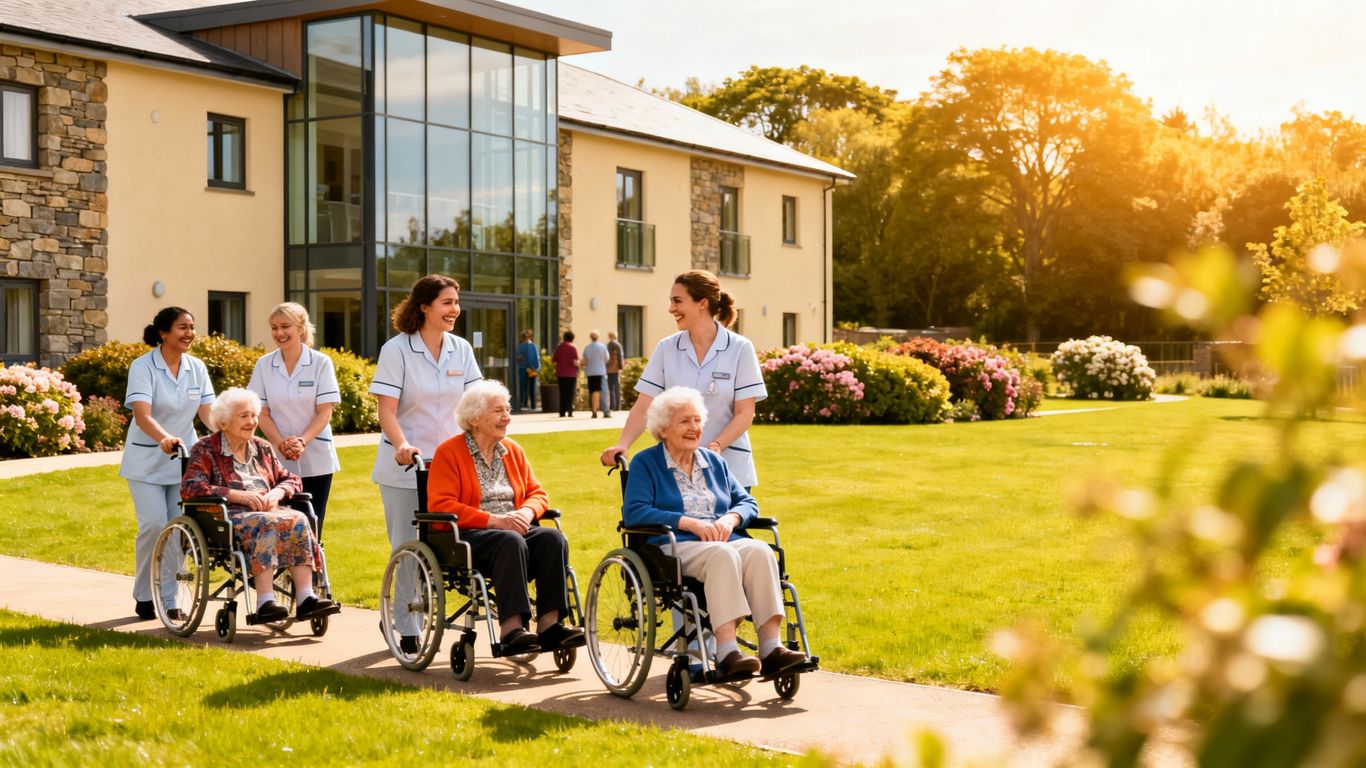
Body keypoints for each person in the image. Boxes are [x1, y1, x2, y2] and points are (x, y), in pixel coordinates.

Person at [623, 387, 808, 677]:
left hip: (722, 537)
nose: (694, 428)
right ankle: (726, 651)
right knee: (721, 555)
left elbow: (747, 501)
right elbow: (634, 512)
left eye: (697, 420)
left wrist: (730, 519)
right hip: (674, 544)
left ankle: (771, 648)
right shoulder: (646, 463)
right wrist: (688, 522)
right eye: (685, 421)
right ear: (663, 428)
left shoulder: (714, 462)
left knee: (759, 551)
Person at [426, 380, 586, 653]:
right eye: (498, 411)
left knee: (552, 538)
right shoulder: (449, 452)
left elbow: (538, 493)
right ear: (474, 419)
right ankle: (512, 630)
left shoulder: (512, 450)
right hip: (470, 535)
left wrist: (526, 511)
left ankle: (550, 626)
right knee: (510, 541)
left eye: (507, 410)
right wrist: (495, 521)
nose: (507, 417)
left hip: (514, 529)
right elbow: (442, 505)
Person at [370, 274, 482, 641]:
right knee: (408, 544)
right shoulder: (397, 349)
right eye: (447, 303)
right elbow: (387, 411)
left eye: (456, 302)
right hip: (405, 466)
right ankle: (406, 626)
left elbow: (474, 405)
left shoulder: (461, 350)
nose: (455, 309)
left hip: (449, 467)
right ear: (424, 307)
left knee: (449, 546)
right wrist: (402, 444)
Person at [182, 388, 339, 622]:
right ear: (224, 421)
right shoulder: (205, 449)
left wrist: (276, 493)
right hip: (227, 517)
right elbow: (191, 487)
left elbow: (291, 478)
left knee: (299, 518)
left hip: (268, 509)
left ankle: (306, 597)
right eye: (244, 416)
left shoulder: (262, 448)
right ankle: (265, 600)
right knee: (265, 522)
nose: (252, 422)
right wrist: (237, 495)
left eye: (254, 415)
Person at [601, 270, 767, 490]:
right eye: (671, 301)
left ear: (702, 303)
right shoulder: (666, 348)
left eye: (677, 301)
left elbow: (745, 413)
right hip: (676, 470)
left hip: (729, 470)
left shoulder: (740, 348)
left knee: (727, 524)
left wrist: (714, 448)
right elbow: (644, 405)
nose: (671, 309)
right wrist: (623, 444)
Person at [121, 306, 216, 620]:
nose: (189, 333)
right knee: (152, 525)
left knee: (178, 529)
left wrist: (228, 431)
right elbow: (142, 413)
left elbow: (207, 412)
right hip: (146, 459)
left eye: (191, 327)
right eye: (182, 327)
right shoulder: (143, 366)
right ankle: (144, 595)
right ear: (163, 333)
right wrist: (164, 437)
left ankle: (170, 599)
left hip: (183, 461)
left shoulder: (197, 367)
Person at [247, 302, 341, 538]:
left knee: (312, 523)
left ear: (301, 327)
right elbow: (261, 412)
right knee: (280, 525)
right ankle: (283, 575)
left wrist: (301, 441)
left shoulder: (320, 363)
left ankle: (313, 574)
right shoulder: (264, 364)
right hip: (277, 459)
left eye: (285, 326)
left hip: (316, 456)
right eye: (274, 327)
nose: (279, 333)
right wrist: (280, 443)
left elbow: (324, 411)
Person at [582, 331, 610, 419]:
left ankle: (594, 411)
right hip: (600, 371)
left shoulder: (587, 348)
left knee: (593, 392)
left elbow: (585, 361)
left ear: (591, 337)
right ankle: (606, 412)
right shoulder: (603, 347)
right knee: (604, 392)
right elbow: (607, 358)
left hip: (590, 372)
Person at [551, 331, 579, 418]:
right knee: (570, 393)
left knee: (562, 393)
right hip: (571, 374)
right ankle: (570, 410)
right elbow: (576, 361)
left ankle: (562, 411)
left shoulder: (559, 347)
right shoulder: (573, 347)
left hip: (561, 373)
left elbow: (553, 359)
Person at [515, 329, 540, 411]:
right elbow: (537, 358)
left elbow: (518, 357)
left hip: (525, 368)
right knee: (530, 387)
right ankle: (531, 406)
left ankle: (525, 405)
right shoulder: (532, 346)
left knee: (524, 387)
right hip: (529, 369)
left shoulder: (523, 346)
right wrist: (536, 367)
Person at [606, 330, 625, 412]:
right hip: (616, 369)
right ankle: (617, 406)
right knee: (616, 388)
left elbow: (607, 358)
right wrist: (621, 367)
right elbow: (620, 357)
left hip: (609, 369)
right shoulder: (618, 345)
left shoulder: (608, 345)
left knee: (610, 388)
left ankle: (611, 406)